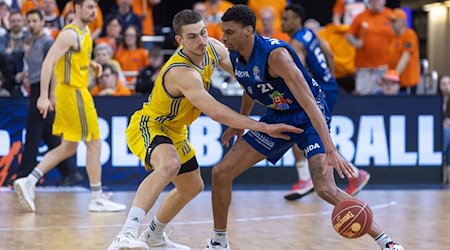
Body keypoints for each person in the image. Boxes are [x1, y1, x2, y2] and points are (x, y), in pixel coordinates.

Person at [204, 5, 404, 250]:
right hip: (278, 116)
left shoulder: (276, 56)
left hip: (308, 115)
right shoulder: (235, 55)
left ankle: (387, 242)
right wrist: (240, 124)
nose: (224, 38)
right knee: (221, 172)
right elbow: (249, 87)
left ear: (248, 31)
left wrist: (330, 149)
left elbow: (309, 102)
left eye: (230, 32)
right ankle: (219, 242)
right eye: (223, 32)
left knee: (325, 189)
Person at [107, 9, 301, 250]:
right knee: (169, 165)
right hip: (152, 124)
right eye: (192, 37)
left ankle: (154, 236)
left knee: (193, 186)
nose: (201, 41)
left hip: (177, 130)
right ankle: (125, 234)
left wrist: (281, 87)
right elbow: (215, 111)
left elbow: (246, 78)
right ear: (179, 40)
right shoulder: (181, 71)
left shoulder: (213, 47)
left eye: (203, 32)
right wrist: (262, 125)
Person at [13, 0, 126, 213]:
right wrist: (44, 97)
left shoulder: (84, 32)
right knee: (94, 143)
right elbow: (48, 62)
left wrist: (90, 64)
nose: (94, 11)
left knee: (68, 147)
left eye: (95, 7)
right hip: (74, 93)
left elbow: (70, 59)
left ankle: (29, 180)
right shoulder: (70, 34)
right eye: (90, 7)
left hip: (72, 91)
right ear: (77, 8)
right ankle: (96, 197)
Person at [281, 4, 370, 201]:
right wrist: (330, 76)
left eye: (286, 19)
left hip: (318, 92)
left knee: (299, 130)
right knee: (314, 135)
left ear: (297, 20)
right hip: (330, 86)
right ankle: (354, 174)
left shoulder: (296, 43)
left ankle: (306, 178)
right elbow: (328, 53)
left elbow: (298, 74)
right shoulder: (310, 34)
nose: (282, 22)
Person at [15, 9, 83, 186]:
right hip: (37, 89)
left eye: (34, 21)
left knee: (32, 134)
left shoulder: (47, 42)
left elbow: (53, 68)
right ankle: (70, 172)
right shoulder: (31, 42)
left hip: (43, 91)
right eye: (28, 21)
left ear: (42, 22)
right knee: (49, 135)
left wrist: (50, 95)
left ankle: (24, 175)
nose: (31, 24)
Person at [346, 0, 393, 95]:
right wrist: (355, 42)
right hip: (364, 68)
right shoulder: (361, 16)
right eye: (373, 0)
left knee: (383, 100)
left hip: (385, 67)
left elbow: (400, 34)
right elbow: (349, 34)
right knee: (363, 100)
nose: (376, 2)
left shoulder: (391, 16)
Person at [387, 8, 420, 95]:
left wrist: (393, 75)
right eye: (391, 21)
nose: (392, 24)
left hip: (408, 81)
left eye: (394, 21)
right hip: (396, 82)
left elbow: (405, 56)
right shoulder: (392, 36)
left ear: (402, 22)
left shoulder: (409, 35)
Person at [440, 75, 450, 184]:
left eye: (448, 83)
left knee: (447, 132)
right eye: (443, 84)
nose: (446, 87)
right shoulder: (435, 100)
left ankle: (441, 155)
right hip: (439, 131)